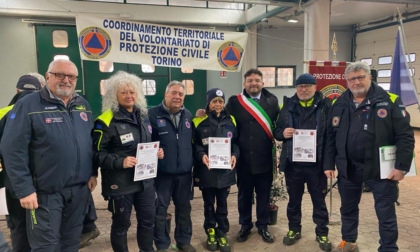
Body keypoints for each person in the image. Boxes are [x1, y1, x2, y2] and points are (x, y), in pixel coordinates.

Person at [0, 59, 94, 251]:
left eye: (71, 76)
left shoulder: (82, 105)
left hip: (77, 191)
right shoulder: (28, 105)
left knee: (70, 243)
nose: (66, 80)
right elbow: (12, 149)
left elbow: (88, 144)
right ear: (48, 76)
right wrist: (24, 189)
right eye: (60, 74)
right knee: (45, 246)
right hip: (44, 193)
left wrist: (92, 173)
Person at [324, 61, 415, 252]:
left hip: (381, 168)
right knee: (347, 209)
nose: (356, 82)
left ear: (369, 77)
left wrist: (402, 167)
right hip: (348, 167)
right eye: (352, 79)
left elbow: (405, 136)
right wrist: (328, 164)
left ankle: (388, 247)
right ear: (347, 81)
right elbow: (331, 137)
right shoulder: (339, 102)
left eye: (360, 77)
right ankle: (349, 241)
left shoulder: (389, 99)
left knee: (385, 212)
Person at [92, 71, 163, 252]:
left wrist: (156, 152)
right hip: (120, 184)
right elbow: (96, 154)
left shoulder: (143, 117)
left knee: (148, 222)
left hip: (145, 182)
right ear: (114, 95)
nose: (129, 96)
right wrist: (120, 162)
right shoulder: (105, 121)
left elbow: (146, 145)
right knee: (121, 225)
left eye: (132, 92)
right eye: (123, 92)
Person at [273, 73, 332, 251]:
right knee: (293, 201)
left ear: (315, 87)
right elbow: (276, 130)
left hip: (317, 166)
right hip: (294, 165)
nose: (304, 90)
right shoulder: (287, 106)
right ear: (296, 88)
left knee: (319, 201)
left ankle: (322, 233)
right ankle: (294, 230)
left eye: (307, 86)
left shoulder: (326, 106)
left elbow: (330, 138)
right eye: (300, 87)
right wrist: (282, 134)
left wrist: (329, 165)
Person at [225, 69, 280, 244]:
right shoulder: (235, 102)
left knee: (264, 195)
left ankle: (263, 226)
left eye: (257, 80)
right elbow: (223, 121)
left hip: (264, 158)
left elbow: (278, 126)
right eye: (250, 81)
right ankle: (245, 225)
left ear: (262, 83)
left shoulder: (272, 101)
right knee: (244, 195)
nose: (253, 83)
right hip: (243, 159)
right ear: (244, 83)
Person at [148, 81, 196, 252]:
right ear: (165, 95)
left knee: (184, 209)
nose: (177, 97)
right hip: (162, 174)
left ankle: (183, 241)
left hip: (184, 174)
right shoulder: (152, 115)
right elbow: (145, 141)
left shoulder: (188, 115)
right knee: (159, 211)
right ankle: (161, 244)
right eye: (173, 93)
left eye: (181, 94)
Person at [192, 88, 239, 252]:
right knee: (208, 204)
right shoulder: (198, 121)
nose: (218, 104)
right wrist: (201, 155)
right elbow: (195, 144)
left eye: (220, 101)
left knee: (223, 204)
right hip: (207, 171)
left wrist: (234, 155)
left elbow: (236, 143)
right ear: (209, 103)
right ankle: (210, 231)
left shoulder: (231, 119)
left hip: (225, 171)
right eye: (214, 101)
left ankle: (222, 232)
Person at [0, 74, 41, 252]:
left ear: (17, 91)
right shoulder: (42, 111)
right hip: (42, 181)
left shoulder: (3, 113)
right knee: (42, 226)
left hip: (12, 183)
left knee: (18, 227)